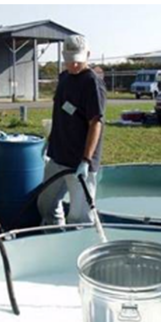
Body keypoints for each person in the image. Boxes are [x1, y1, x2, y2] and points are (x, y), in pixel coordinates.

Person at [37, 35, 107, 225]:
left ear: (87, 55)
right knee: (46, 203)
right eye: (69, 60)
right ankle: (53, 234)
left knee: (80, 216)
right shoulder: (64, 78)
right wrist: (51, 139)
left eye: (78, 60)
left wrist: (86, 160)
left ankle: (79, 240)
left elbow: (96, 123)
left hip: (80, 161)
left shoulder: (92, 83)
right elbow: (61, 111)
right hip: (58, 155)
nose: (74, 65)